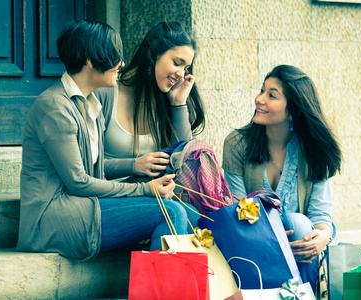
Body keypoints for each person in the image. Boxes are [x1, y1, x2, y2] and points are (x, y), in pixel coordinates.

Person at [17, 19, 197, 261]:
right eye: (114, 57)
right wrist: (144, 190)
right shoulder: (55, 107)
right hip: (52, 218)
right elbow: (79, 182)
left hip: (83, 206)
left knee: (185, 209)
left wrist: (138, 171)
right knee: (170, 212)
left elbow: (95, 169)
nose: (121, 64)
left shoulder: (88, 103)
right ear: (91, 61)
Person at [222, 65, 342, 292]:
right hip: (253, 248)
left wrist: (322, 236)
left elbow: (320, 215)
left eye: (271, 95)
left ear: (292, 111)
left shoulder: (313, 150)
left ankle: (304, 296)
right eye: (261, 91)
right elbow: (234, 210)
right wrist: (274, 241)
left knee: (299, 224)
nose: (259, 99)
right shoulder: (237, 144)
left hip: (300, 253)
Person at [95, 22, 205, 181]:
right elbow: (84, 167)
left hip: (152, 195)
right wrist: (134, 165)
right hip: (106, 196)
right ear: (153, 54)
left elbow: (183, 165)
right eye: (177, 63)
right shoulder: (106, 92)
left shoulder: (165, 99)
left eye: (185, 68)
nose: (181, 74)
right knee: (174, 208)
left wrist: (178, 103)